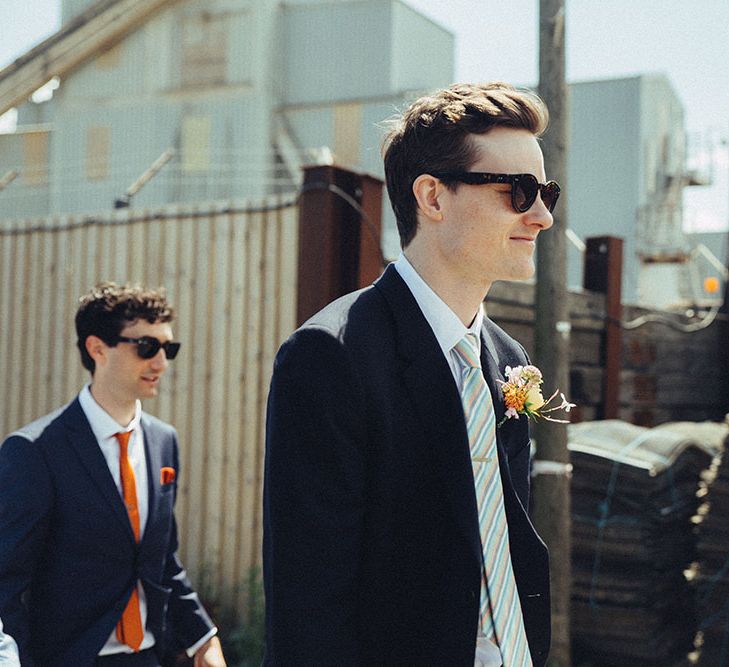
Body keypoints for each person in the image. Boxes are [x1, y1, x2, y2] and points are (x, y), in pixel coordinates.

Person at [263, 82, 559, 666]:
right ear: (433, 197)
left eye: (546, 191)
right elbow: (309, 612)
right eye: (519, 191)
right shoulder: (330, 357)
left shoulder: (510, 362)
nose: (543, 216)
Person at [0, 283, 226, 667]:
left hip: (148, 657)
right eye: (147, 348)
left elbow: (162, 561)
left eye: (168, 349)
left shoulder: (163, 441)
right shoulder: (35, 451)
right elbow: (7, 580)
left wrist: (204, 639)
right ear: (97, 348)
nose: (161, 363)